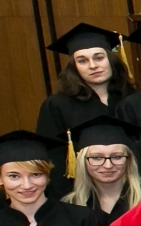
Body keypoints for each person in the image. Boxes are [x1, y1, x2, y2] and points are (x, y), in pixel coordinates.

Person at [36, 23, 129, 192]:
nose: (92, 65)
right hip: (81, 192)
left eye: (99, 58)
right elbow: (53, 159)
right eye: (82, 61)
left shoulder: (131, 99)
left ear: (111, 60)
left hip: (132, 190)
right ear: (74, 67)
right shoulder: (57, 105)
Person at [63, 114, 141, 226]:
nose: (108, 165)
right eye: (97, 158)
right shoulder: (69, 206)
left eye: (117, 157)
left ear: (129, 159)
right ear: (82, 161)